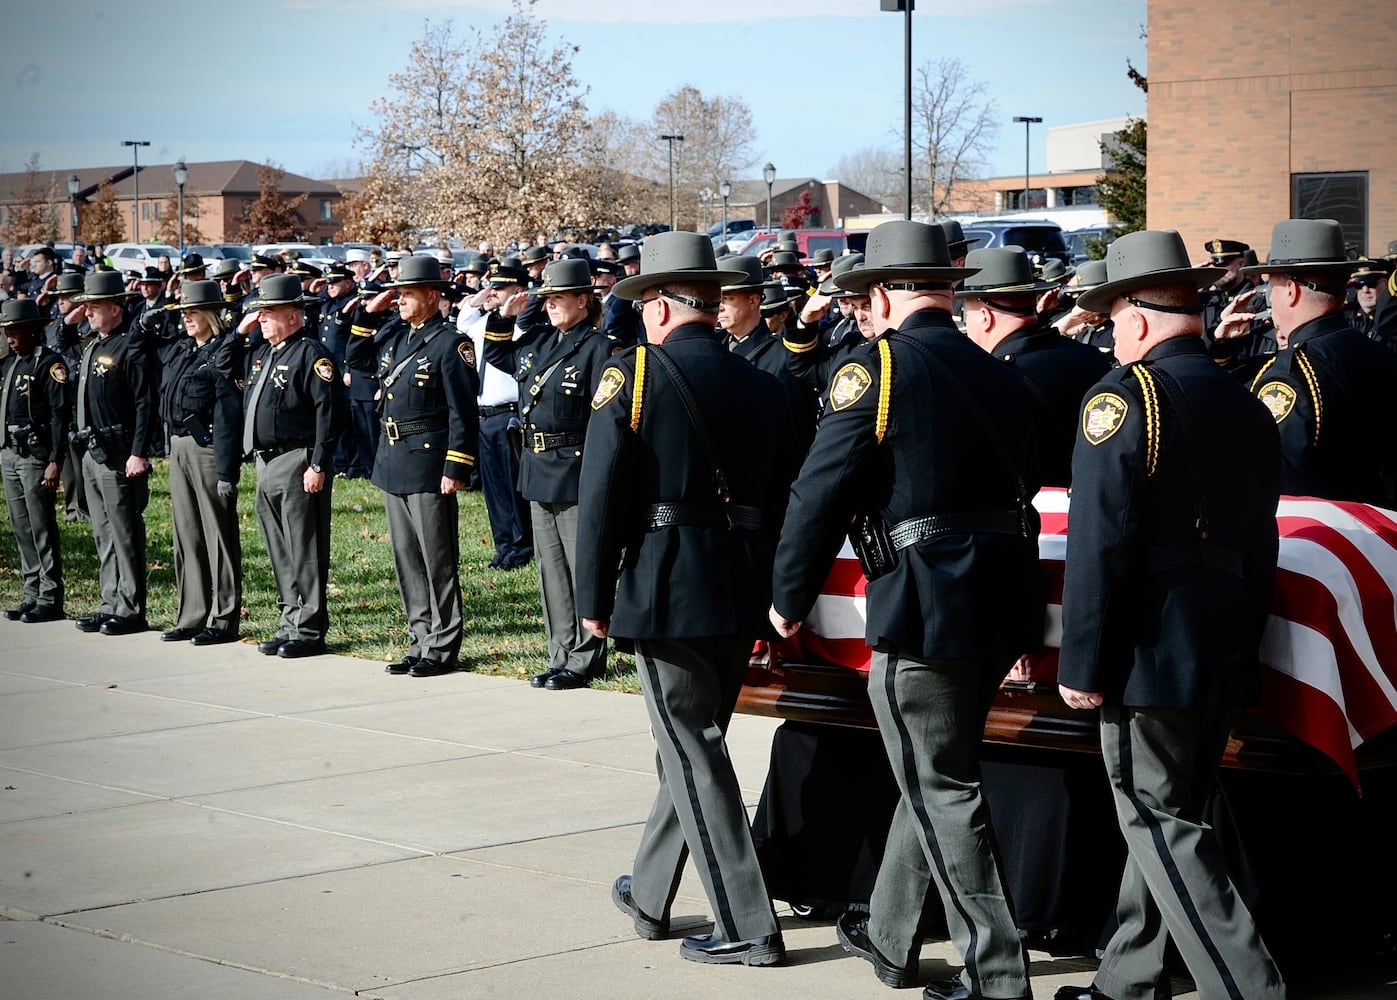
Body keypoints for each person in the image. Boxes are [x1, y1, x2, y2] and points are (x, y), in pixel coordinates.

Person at [768, 220, 1041, 1000]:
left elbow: (819, 491)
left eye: (862, 296)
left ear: (886, 292)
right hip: (1001, 596)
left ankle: (994, 974)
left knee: (939, 787)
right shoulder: (1000, 368)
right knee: (934, 772)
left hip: (923, 600)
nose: (857, 310)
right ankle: (891, 937)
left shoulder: (876, 368)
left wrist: (789, 597)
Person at [1053, 228, 1287, 1000]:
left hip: (1145, 650)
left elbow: (1100, 542)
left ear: (1137, 317)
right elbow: (1263, 539)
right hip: (1217, 642)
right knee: (1173, 814)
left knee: (1157, 822)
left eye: (1113, 317)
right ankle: (1129, 976)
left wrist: (1081, 662)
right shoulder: (1246, 400)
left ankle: (1250, 989)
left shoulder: (1125, 397)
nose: (1113, 333)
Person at [577, 231, 795, 968]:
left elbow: (601, 496)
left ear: (666, 306)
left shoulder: (632, 375)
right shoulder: (767, 383)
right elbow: (784, 496)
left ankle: (745, 923)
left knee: (690, 747)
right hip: (741, 579)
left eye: (643, 302)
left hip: (666, 579)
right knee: (693, 741)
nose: (640, 315)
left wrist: (591, 595)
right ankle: (649, 891)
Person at [485, 257, 613, 690]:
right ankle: (560, 651)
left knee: (580, 569)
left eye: (559, 298)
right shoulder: (539, 342)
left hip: (575, 469)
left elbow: (603, 419)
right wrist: (508, 315)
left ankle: (584, 658)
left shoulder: (598, 347)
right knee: (551, 571)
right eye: (547, 298)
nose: (551, 305)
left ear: (583, 299)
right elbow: (498, 353)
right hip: (537, 468)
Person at [1218, 218, 1397, 506]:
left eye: (1270, 289)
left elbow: (1275, 481)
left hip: (1322, 540)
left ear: (1291, 290)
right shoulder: (1378, 353)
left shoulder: (1291, 375)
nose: (1268, 300)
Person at [366, 255, 479, 677]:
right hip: (394, 460)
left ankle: (444, 645)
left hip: (430, 462)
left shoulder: (452, 344)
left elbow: (462, 412)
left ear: (432, 297)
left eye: (407, 294)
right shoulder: (398, 339)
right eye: (398, 294)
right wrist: (369, 309)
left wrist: (456, 466)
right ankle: (420, 639)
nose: (398, 301)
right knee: (407, 558)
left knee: (437, 560)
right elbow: (358, 356)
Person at [241, 273, 344, 659]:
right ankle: (289, 621)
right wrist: (242, 333)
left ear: (293, 316)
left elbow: (329, 415)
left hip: (297, 459)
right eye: (260, 313)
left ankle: (310, 629)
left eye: (269, 313)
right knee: (279, 549)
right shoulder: (266, 354)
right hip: (266, 461)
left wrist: (318, 463)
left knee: (305, 547)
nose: (261, 319)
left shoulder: (311, 354)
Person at [956, 246, 1112, 487]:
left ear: (985, 317)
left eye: (969, 315)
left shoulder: (992, 381)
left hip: (1036, 518)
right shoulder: (1090, 357)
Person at [69, 270, 157, 636]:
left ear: (117, 308)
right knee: (103, 532)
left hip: (119, 451)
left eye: (95, 306)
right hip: (91, 450)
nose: (87, 312)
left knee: (124, 532)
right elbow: (62, 334)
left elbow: (145, 403)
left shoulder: (130, 346)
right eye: (85, 306)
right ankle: (111, 602)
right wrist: (75, 314)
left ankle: (132, 609)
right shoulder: (92, 344)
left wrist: (139, 452)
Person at [157, 281, 244, 646]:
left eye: (193, 313)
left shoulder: (222, 352)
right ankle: (191, 614)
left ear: (211, 315)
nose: (187, 319)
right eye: (184, 314)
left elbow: (228, 416)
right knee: (187, 534)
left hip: (207, 450)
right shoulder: (182, 352)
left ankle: (223, 619)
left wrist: (227, 470)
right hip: (178, 447)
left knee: (217, 535)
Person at [459, 258, 533, 570]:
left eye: (501, 289)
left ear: (518, 291)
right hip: (484, 414)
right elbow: (463, 323)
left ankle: (521, 545)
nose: (494, 293)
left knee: (514, 485)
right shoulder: (485, 322)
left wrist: (508, 311)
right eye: (493, 287)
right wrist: (478, 298)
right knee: (494, 488)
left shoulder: (523, 325)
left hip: (509, 414)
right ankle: (504, 544)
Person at [1, 299, 70, 623]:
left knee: (41, 525)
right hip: (10, 452)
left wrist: (55, 459)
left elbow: (59, 415)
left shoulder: (49, 364)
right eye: (7, 333)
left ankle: (50, 595)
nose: (10, 338)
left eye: (15, 332)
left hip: (35, 454)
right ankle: (31, 592)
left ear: (32, 331)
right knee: (21, 525)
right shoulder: (11, 363)